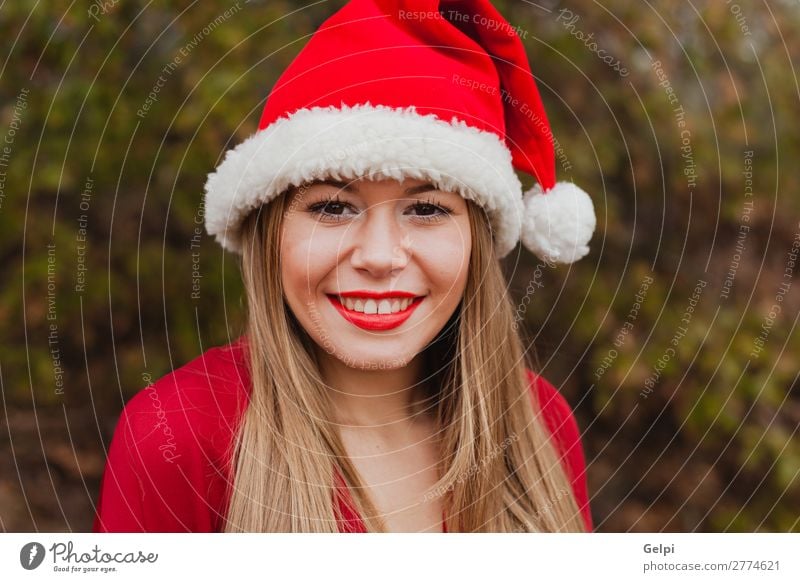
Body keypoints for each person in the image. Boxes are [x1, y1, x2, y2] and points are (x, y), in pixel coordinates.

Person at [93, 0, 597, 533]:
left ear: (477, 239)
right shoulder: (177, 436)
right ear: (272, 234)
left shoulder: (539, 420)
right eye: (332, 207)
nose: (379, 257)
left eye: (426, 209)